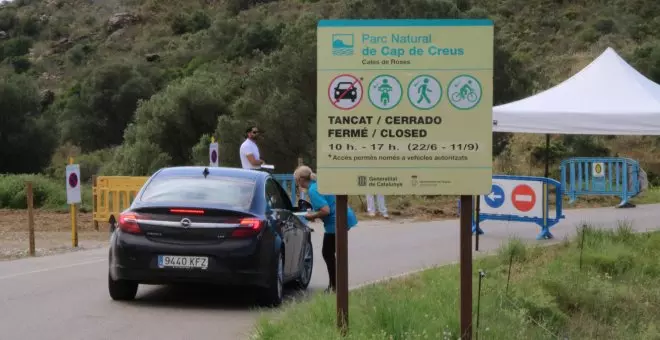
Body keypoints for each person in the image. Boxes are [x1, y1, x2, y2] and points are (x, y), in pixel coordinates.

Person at [293, 165, 358, 293]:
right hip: (343, 216)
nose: (296, 182)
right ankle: (336, 285)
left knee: (327, 253)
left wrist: (313, 216)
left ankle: (334, 286)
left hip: (336, 221)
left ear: (301, 179)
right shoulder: (317, 184)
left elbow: (325, 210)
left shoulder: (312, 190)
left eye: (296, 180)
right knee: (332, 253)